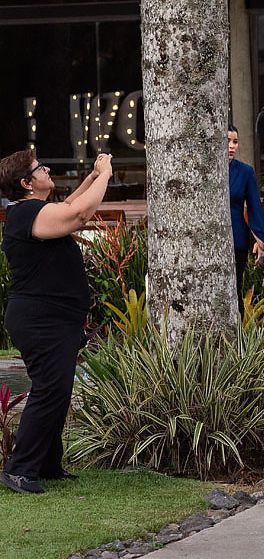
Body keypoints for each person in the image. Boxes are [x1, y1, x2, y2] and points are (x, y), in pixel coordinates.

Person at [0, 150, 112, 494]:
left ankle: (47, 464)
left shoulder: (31, 211)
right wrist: (106, 174)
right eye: (40, 168)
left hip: (52, 318)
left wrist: (92, 178)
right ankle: (19, 469)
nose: (48, 169)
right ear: (26, 183)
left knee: (57, 390)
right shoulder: (25, 214)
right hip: (40, 320)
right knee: (51, 389)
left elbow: (68, 206)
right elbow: (77, 215)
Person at [228, 126, 264, 304]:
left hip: (237, 241)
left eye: (235, 142)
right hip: (206, 241)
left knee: (233, 290)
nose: (231, 146)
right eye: (227, 141)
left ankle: (237, 331)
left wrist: (261, 239)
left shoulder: (245, 172)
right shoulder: (203, 173)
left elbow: (254, 207)